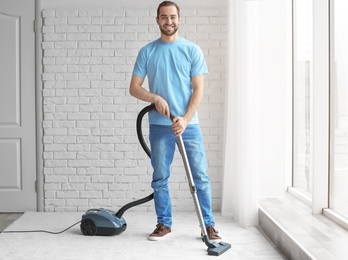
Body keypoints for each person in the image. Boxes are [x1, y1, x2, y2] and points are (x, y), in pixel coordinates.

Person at [129, 1, 221, 242]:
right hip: (160, 126)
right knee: (160, 177)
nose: (168, 21)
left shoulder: (192, 50)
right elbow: (134, 88)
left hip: (188, 126)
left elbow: (198, 89)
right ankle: (164, 224)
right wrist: (154, 97)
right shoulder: (147, 51)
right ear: (157, 20)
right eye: (163, 17)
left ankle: (208, 226)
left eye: (172, 17)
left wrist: (186, 118)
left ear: (179, 19)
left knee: (199, 177)